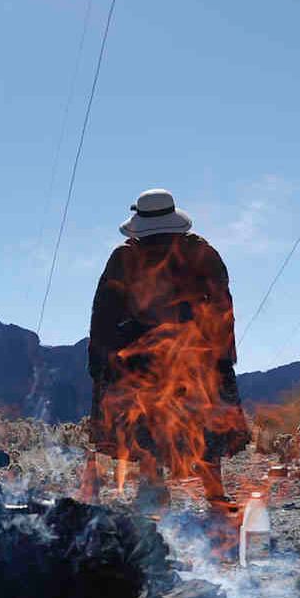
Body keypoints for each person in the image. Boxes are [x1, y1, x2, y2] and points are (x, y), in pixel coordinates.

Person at [88, 189, 249, 514]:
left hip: (140, 358)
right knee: (206, 425)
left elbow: (104, 313)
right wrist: (221, 355)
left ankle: (153, 489)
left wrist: (101, 362)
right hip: (197, 356)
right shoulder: (202, 253)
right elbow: (222, 305)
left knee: (144, 426)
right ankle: (215, 495)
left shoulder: (124, 258)